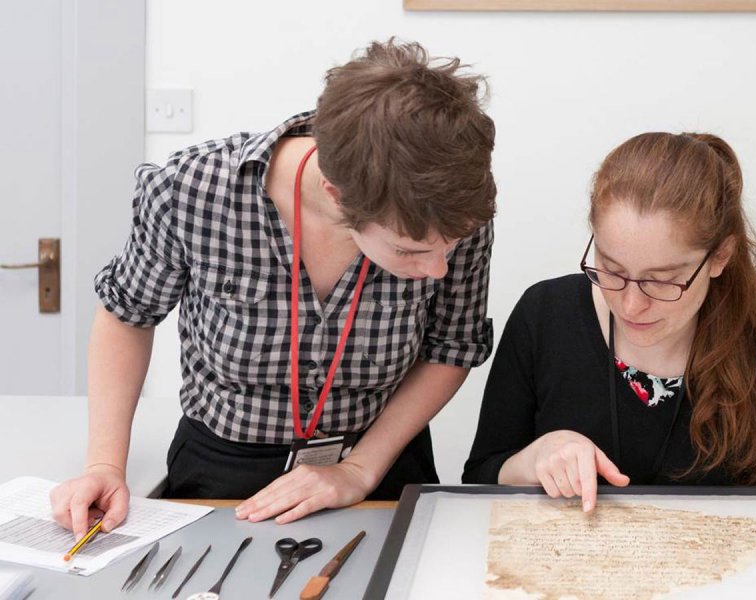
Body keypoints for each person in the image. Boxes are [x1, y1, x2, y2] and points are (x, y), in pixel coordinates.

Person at [50, 39, 497, 537]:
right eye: (410, 251)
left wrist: (358, 469)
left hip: (381, 463)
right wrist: (104, 467)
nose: (438, 269)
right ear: (336, 193)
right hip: (225, 467)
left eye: (450, 248)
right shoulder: (193, 190)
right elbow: (126, 314)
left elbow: (450, 346)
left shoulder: (450, 204)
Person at [464, 132, 756, 511]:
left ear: (720, 257)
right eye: (611, 269)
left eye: (660, 280)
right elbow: (480, 477)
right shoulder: (543, 316)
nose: (630, 305)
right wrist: (534, 458)